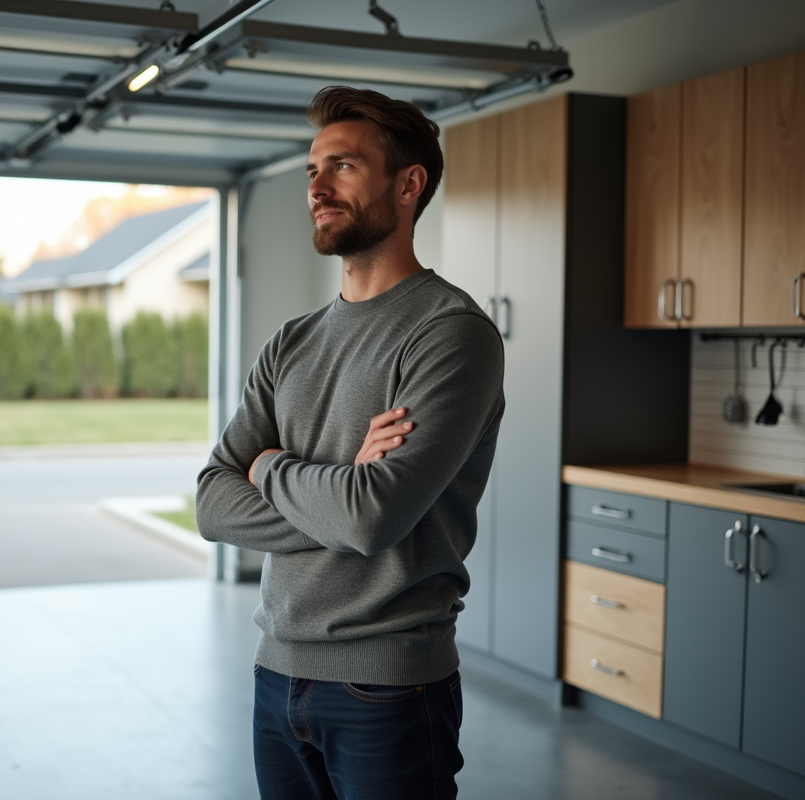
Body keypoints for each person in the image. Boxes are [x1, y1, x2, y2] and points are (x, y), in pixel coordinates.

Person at [194, 85, 505, 800]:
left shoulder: (449, 334)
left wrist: (268, 465)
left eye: (343, 166)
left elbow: (373, 519)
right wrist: (336, 484)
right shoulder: (291, 343)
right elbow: (213, 504)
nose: (317, 186)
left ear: (408, 184)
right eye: (312, 169)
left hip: (388, 686)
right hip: (276, 672)